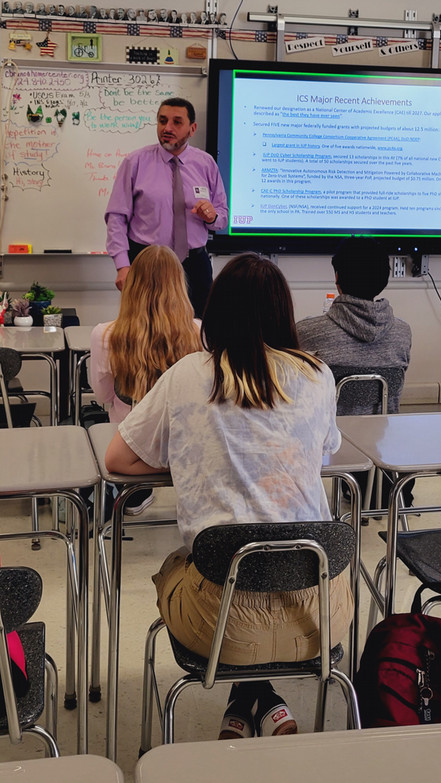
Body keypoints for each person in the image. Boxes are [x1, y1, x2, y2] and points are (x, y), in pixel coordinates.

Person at [105, 253, 352, 739]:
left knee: (184, 563)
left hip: (219, 627)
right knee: (252, 556)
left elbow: (117, 460)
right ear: (284, 312)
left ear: (216, 310)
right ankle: (262, 702)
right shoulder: (317, 375)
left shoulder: (187, 374)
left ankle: (247, 701)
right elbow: (324, 451)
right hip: (320, 614)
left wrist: (192, 454)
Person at [296, 235, 412, 504]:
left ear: (337, 278)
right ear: (384, 279)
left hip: (326, 442)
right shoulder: (402, 333)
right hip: (383, 442)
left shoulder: (307, 332)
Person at [91, 245, 201, 514]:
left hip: (128, 448)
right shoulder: (200, 331)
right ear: (179, 284)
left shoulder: (104, 335)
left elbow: (103, 395)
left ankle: (134, 495)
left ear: (132, 284)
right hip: (184, 445)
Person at [104, 97, 228, 317]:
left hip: (194, 264)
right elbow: (116, 217)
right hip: (147, 262)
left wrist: (210, 216)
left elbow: (222, 217)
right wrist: (122, 265)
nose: (167, 128)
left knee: (197, 331)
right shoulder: (135, 162)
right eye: (162, 121)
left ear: (192, 128)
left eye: (177, 122)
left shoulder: (206, 163)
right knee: (145, 334)